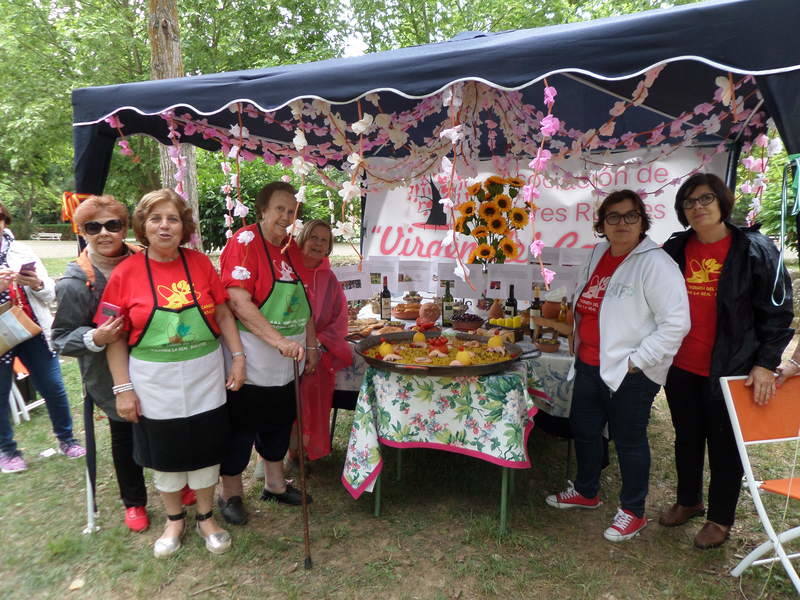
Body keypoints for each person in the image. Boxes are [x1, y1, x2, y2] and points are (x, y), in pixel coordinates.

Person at [102, 189, 246, 557]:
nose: (165, 226)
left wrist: (238, 357)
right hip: (153, 381)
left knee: (206, 449)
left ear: (184, 227)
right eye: (156, 218)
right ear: (143, 226)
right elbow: (113, 337)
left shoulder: (199, 264)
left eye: (173, 219)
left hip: (204, 374)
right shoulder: (125, 273)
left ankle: (205, 517)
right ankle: (174, 519)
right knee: (163, 451)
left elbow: (224, 313)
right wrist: (123, 389)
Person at [545, 189, 690, 542]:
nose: (622, 223)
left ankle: (633, 511)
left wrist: (638, 362)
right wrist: (575, 336)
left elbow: (676, 323)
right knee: (585, 430)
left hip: (630, 372)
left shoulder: (656, 264)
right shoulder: (598, 253)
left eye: (630, 216)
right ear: (602, 224)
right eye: (613, 217)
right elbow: (586, 303)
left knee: (629, 441)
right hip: (589, 363)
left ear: (642, 221)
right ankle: (586, 491)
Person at [659, 173, 793, 549]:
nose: (697, 207)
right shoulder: (675, 247)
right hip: (682, 364)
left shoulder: (755, 248)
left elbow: (778, 312)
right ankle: (688, 500)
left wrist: (765, 363)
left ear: (722, 202)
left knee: (724, 445)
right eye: (689, 202)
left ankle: (720, 519)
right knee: (687, 437)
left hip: (732, 367)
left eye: (705, 198)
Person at [217, 181, 319, 527]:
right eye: (279, 209)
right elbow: (238, 301)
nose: (286, 217)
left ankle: (275, 485)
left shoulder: (289, 248)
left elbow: (303, 302)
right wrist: (278, 341)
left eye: (291, 211)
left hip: (287, 359)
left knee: (278, 421)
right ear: (262, 210)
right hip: (253, 355)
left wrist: (311, 344)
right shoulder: (245, 242)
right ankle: (230, 493)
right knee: (240, 428)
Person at [0, 204, 86, 473]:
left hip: (31, 329)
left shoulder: (21, 250)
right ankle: (7, 451)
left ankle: (67, 440)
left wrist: (36, 283)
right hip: (1, 336)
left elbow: (49, 293)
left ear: (4, 221)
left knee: (52, 385)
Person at [293, 219, 351, 462]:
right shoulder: (287, 269)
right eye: (313, 237)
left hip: (317, 351)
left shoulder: (329, 278)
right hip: (284, 347)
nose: (318, 243)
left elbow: (340, 319)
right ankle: (275, 453)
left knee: (312, 387)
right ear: (302, 239)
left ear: (329, 248)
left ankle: (303, 448)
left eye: (324, 240)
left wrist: (316, 344)